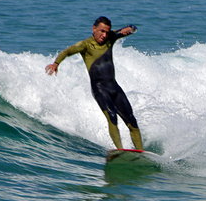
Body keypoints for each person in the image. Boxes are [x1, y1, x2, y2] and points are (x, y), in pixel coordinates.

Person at [45, 16, 143, 150]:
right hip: (99, 88)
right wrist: (56, 63)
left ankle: (140, 151)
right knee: (112, 116)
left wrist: (131, 29)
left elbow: (129, 29)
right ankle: (120, 151)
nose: (104, 35)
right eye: (101, 31)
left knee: (131, 121)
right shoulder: (85, 45)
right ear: (94, 29)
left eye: (106, 32)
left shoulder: (110, 38)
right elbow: (67, 51)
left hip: (114, 87)